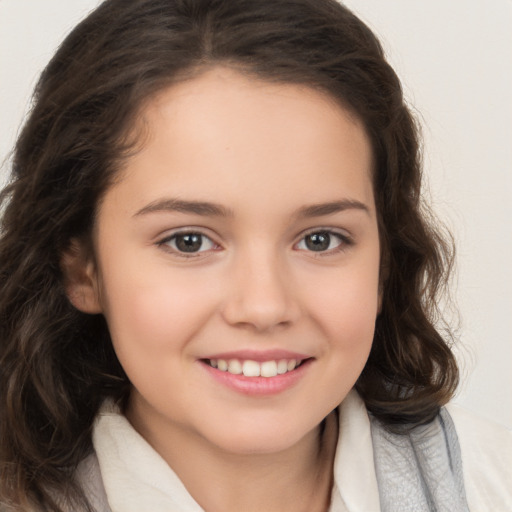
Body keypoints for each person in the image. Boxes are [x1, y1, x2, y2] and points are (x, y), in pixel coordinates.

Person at [0, 0, 510, 511]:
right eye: (189, 241)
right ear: (83, 267)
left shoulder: (492, 483)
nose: (264, 307)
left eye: (320, 239)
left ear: (383, 262)